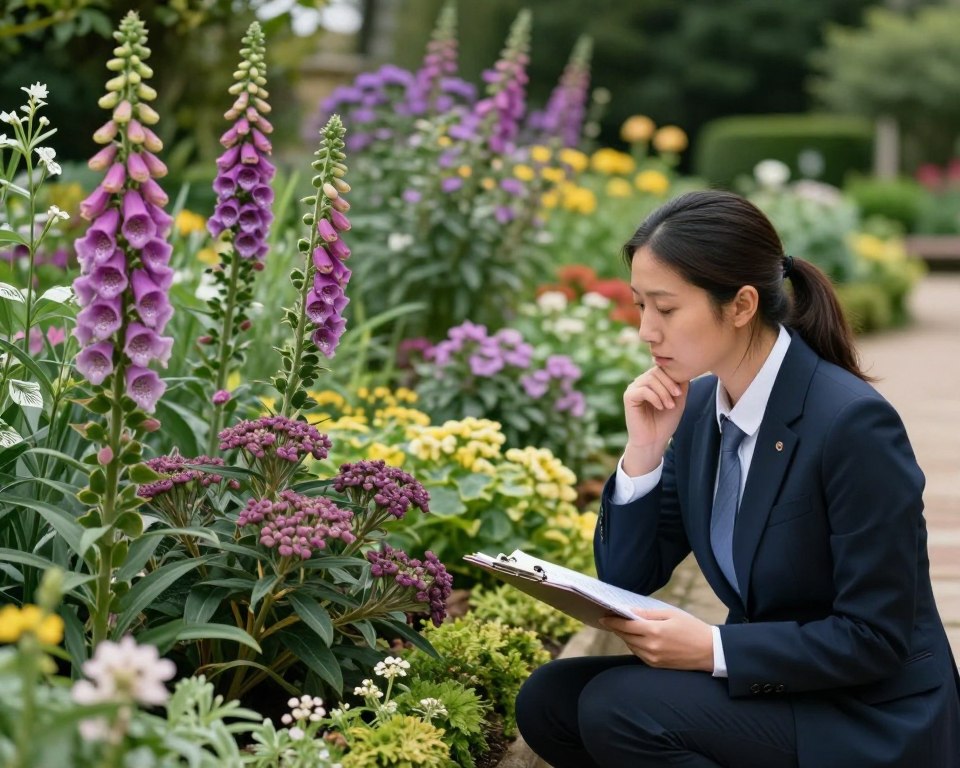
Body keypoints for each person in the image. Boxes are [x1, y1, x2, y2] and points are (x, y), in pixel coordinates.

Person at [515, 189, 960, 768]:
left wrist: (712, 647)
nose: (646, 331)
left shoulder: (851, 424)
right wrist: (644, 451)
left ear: (742, 304)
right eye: (639, 305)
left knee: (618, 708)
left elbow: (875, 638)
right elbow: (630, 575)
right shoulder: (701, 408)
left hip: (870, 714)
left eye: (666, 309)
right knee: (550, 700)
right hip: (786, 688)